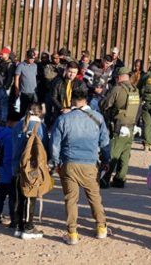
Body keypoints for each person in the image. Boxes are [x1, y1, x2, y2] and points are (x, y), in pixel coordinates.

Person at [50, 88, 110, 245]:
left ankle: (72, 233)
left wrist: (56, 162)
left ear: (72, 100)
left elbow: (55, 144)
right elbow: (104, 142)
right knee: (94, 197)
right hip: (90, 163)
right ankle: (101, 228)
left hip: (69, 163)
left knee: (71, 198)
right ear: (87, 100)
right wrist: (106, 160)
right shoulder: (98, 117)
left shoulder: (64, 119)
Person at [100, 66, 140, 188]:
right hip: (131, 126)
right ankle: (119, 179)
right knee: (125, 155)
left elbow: (105, 105)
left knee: (113, 153)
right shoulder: (135, 90)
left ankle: (105, 179)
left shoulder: (117, 89)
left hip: (119, 126)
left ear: (119, 77)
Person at [11, 104, 46, 239]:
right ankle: (28, 227)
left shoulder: (17, 125)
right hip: (32, 168)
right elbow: (44, 148)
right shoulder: (40, 127)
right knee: (30, 196)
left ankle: (19, 226)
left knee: (20, 197)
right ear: (39, 114)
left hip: (17, 165)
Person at [0, 114, 16, 226]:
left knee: (1, 194)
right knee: (12, 196)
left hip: (2, 170)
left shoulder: (1, 134)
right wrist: (12, 173)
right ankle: (13, 220)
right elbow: (8, 157)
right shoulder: (10, 136)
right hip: (9, 171)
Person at [14, 50, 38, 116]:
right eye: (30, 58)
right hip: (24, 92)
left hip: (33, 92)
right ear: (27, 57)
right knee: (23, 110)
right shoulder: (21, 65)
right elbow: (16, 78)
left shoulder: (35, 66)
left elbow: (34, 76)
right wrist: (16, 89)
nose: (32, 60)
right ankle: (22, 123)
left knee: (34, 110)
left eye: (33, 58)